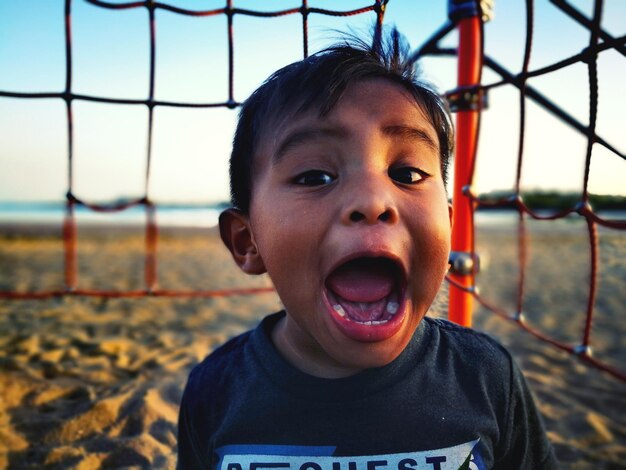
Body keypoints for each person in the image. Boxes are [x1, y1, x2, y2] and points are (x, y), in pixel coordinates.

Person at [177, 29, 557, 469]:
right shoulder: (215, 390)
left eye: (408, 173)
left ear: (450, 224)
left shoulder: (487, 377)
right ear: (248, 242)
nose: (373, 201)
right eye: (315, 176)